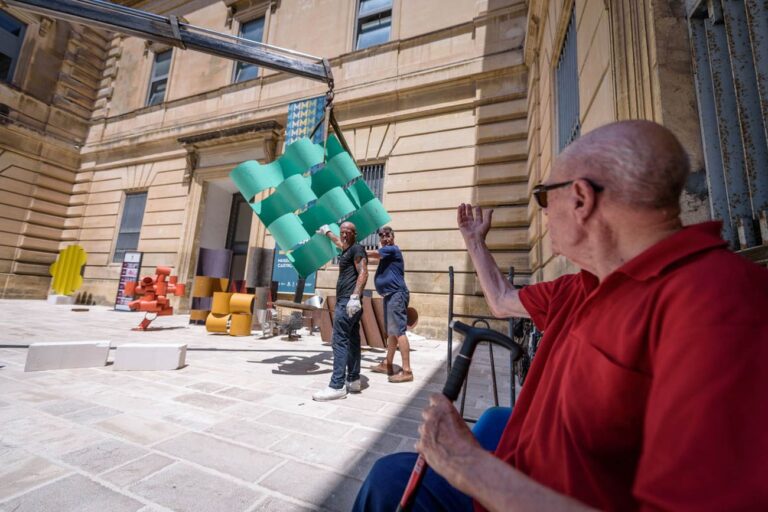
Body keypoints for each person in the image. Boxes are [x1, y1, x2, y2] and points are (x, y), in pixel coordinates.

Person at [353, 120, 768, 511]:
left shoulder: (720, 306)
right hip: (515, 474)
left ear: (581, 198)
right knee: (396, 473)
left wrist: (467, 464)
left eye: (544, 196)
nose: (544, 213)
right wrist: (475, 243)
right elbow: (500, 300)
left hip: (512, 491)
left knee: (388, 481)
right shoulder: (580, 286)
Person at [313, 221, 368, 401]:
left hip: (348, 302)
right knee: (352, 340)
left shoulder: (357, 249)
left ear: (355, 234)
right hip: (349, 302)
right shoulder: (347, 248)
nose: (344, 235)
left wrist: (354, 297)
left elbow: (363, 272)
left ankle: (337, 385)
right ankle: (353, 380)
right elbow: (339, 242)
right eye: (342, 231)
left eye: (348, 232)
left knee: (339, 341)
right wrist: (328, 232)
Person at [366, 226, 413, 383]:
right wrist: (359, 259)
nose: (384, 238)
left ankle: (407, 371)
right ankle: (388, 364)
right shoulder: (386, 254)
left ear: (393, 237)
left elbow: (374, 254)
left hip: (396, 295)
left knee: (399, 332)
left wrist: (356, 250)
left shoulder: (392, 249)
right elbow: (372, 259)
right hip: (389, 296)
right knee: (392, 333)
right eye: (382, 236)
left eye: (387, 235)